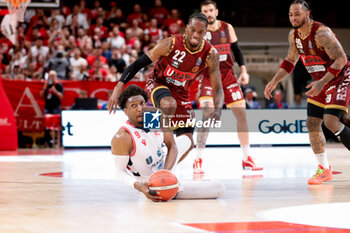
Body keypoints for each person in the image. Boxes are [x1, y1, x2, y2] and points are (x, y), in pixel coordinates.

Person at [108, 13, 224, 168]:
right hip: (158, 82)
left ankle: (164, 172)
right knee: (168, 104)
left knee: (188, 142)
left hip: (181, 94)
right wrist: (118, 88)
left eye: (200, 32)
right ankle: (152, 135)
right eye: (193, 30)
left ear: (205, 32)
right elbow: (137, 64)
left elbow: (217, 88)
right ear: (187, 28)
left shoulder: (211, 55)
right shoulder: (169, 43)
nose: (196, 35)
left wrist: (218, 109)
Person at [264, 0, 350, 185]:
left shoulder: (322, 33)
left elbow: (342, 59)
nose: (293, 18)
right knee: (312, 123)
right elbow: (290, 61)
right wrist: (274, 81)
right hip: (320, 80)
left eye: (297, 14)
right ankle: (324, 169)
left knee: (331, 121)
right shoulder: (293, 35)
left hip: (339, 76)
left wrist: (321, 83)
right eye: (291, 14)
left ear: (307, 14)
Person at [111, 85, 225, 201]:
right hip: (149, 183)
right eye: (134, 106)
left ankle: (169, 174)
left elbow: (172, 146)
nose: (140, 108)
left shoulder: (155, 117)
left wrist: (165, 173)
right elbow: (120, 172)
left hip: (163, 169)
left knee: (187, 140)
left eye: (142, 103)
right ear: (126, 111)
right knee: (218, 188)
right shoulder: (123, 137)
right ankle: (163, 187)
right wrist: (139, 186)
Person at [195, 0, 263, 174]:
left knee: (242, 115)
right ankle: (198, 158)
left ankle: (247, 157)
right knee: (207, 114)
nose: (208, 13)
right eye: (205, 11)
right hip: (208, 77)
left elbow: (237, 50)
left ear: (216, 12)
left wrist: (244, 71)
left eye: (211, 10)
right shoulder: (198, 32)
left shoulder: (227, 28)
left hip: (228, 76)